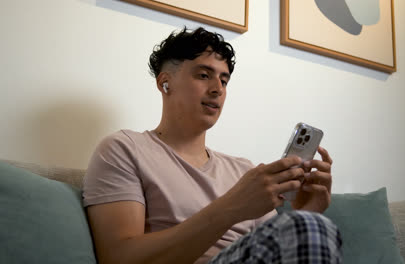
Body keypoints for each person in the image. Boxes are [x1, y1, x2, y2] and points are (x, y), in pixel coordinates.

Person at [82, 27, 342, 264]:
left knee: (309, 226)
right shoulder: (124, 149)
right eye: (204, 75)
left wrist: (309, 213)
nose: (217, 88)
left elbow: (276, 248)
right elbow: (118, 258)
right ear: (165, 83)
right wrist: (231, 207)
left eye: (224, 80)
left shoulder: (244, 171)